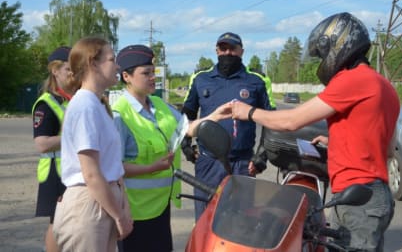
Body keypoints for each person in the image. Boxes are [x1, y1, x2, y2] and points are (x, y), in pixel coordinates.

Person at [228, 12, 400, 252]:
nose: (322, 60)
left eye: (323, 54)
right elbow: (388, 147)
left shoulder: (353, 80)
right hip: (372, 195)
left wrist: (248, 112)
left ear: (341, 45)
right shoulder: (384, 85)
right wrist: (337, 141)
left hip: (358, 197)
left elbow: (292, 120)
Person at [112, 44, 230, 252]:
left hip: (160, 206)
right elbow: (113, 168)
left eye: (153, 72)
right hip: (134, 211)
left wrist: (215, 116)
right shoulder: (119, 114)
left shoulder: (158, 103)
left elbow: (186, 128)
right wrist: (151, 168)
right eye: (145, 73)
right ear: (126, 76)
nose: (152, 78)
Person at [181, 31, 276, 220]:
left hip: (242, 164)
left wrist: (261, 157)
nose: (227, 53)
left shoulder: (258, 80)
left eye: (232, 49)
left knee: (240, 223)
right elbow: (186, 116)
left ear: (242, 51)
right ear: (216, 50)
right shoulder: (200, 78)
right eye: (223, 48)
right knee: (205, 220)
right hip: (208, 163)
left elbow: (271, 123)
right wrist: (186, 146)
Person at [53, 37, 133, 251]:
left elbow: (111, 165)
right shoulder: (84, 106)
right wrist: (118, 214)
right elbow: (91, 173)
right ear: (93, 63)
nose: (117, 65)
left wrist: (123, 204)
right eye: (111, 59)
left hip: (102, 199)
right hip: (88, 205)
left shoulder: (95, 104)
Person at [32, 46, 73, 252]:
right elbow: (41, 143)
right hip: (55, 174)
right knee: (57, 223)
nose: (73, 73)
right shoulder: (47, 103)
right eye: (68, 69)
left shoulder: (72, 99)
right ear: (55, 71)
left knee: (71, 223)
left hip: (71, 171)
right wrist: (73, 136)